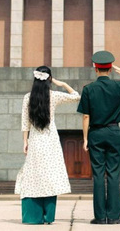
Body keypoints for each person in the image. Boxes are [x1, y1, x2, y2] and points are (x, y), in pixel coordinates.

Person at [77, 51, 120, 225]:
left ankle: (100, 217)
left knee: (99, 175)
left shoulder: (88, 89)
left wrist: (85, 139)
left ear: (95, 69)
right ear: (110, 69)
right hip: (114, 132)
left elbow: (86, 116)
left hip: (95, 133)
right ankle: (114, 217)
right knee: (114, 174)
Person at [15, 65, 80, 225]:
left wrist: (25, 141)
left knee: (33, 175)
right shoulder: (54, 96)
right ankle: (48, 216)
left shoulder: (27, 98)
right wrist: (62, 84)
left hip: (35, 141)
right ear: (49, 79)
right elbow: (76, 96)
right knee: (50, 175)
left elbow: (25, 122)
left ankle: (32, 216)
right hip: (51, 141)